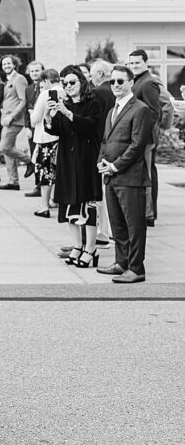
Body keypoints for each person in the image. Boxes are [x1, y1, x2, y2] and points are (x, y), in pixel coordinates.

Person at [97, 66, 152, 284]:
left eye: (120, 81)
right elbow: (105, 140)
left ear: (131, 82)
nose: (116, 85)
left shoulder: (140, 109)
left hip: (130, 178)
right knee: (117, 224)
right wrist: (101, 162)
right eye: (112, 81)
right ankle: (122, 262)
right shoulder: (113, 109)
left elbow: (137, 145)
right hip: (111, 176)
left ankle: (136, 269)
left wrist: (115, 166)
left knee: (134, 226)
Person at [46, 65, 103, 268]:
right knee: (69, 203)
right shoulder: (65, 103)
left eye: (72, 82)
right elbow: (58, 130)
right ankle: (77, 246)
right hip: (67, 160)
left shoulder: (92, 103)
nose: (68, 86)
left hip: (86, 158)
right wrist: (49, 117)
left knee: (88, 204)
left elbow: (89, 126)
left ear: (81, 82)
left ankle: (91, 249)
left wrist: (67, 113)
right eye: (65, 83)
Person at [127, 50, 161, 225]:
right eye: (131, 63)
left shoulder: (148, 83)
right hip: (139, 137)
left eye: (137, 63)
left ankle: (148, 214)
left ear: (146, 63)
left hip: (145, 139)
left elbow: (154, 113)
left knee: (147, 175)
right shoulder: (138, 80)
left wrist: (140, 135)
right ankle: (146, 212)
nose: (134, 66)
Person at [28, 69, 62, 218]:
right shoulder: (65, 92)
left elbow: (36, 118)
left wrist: (31, 114)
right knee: (57, 170)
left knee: (45, 172)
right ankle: (54, 199)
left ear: (46, 81)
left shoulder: (45, 94)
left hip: (46, 138)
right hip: (60, 138)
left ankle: (44, 206)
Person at [89, 59, 116, 245]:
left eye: (91, 75)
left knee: (100, 192)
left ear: (99, 74)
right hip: (114, 145)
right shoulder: (116, 91)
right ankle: (111, 232)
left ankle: (104, 233)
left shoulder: (97, 93)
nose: (91, 79)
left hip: (100, 146)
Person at [0, 55, 32, 191]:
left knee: (4, 147)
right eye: (4, 64)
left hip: (14, 120)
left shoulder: (19, 79)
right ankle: (13, 181)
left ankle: (29, 161)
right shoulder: (8, 80)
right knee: (8, 150)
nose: (6, 66)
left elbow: (23, 101)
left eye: (8, 63)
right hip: (5, 119)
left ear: (14, 64)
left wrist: (11, 116)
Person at [24, 61, 44, 198]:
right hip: (32, 128)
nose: (34, 73)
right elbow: (26, 109)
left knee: (43, 158)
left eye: (37, 70)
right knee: (35, 157)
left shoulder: (45, 86)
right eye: (32, 71)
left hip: (44, 128)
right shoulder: (29, 89)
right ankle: (37, 186)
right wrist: (27, 127)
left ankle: (43, 186)